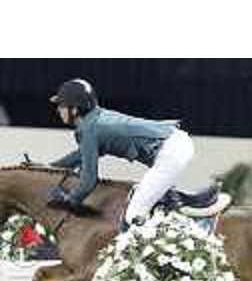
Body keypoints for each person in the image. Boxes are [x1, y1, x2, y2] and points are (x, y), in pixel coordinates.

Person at [48, 78, 195, 230]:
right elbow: (81, 155)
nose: (58, 109)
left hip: (171, 152)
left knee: (133, 216)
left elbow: (88, 181)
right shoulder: (95, 120)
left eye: (62, 105)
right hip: (176, 142)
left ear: (75, 109)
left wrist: (68, 200)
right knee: (143, 201)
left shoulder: (90, 129)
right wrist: (49, 167)